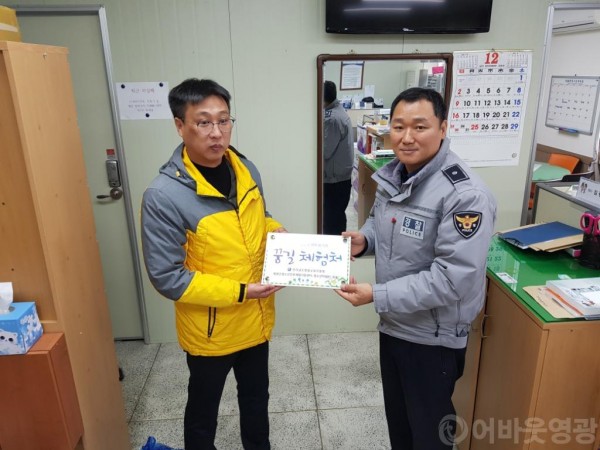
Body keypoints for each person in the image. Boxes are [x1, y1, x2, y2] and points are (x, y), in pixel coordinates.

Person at [335, 87, 497, 449]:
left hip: (432, 339)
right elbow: (381, 221)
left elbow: (452, 280)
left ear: (443, 128)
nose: (407, 137)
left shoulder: (465, 195)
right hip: (395, 325)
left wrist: (376, 295)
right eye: (398, 127)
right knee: (401, 428)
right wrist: (365, 240)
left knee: (428, 436)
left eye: (419, 127)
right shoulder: (395, 174)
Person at [141, 78, 286, 450]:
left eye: (224, 120)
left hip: (255, 318)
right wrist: (242, 291)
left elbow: (259, 219)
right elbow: (168, 277)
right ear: (180, 125)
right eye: (203, 122)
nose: (217, 133)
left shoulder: (245, 168)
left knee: (256, 400)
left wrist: (278, 233)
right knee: (203, 413)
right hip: (210, 331)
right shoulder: (163, 196)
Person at [323, 80, 354, 235]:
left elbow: (325, 151)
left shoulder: (331, 119)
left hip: (335, 180)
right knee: (336, 216)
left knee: (332, 220)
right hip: (340, 177)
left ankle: (335, 246)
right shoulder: (337, 111)